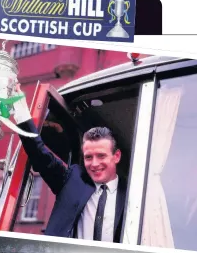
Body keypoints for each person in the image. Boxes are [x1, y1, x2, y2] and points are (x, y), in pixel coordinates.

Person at [10, 87, 126, 241]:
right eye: (88, 157)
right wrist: (18, 106)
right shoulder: (74, 179)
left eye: (101, 156)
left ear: (116, 156)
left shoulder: (132, 193)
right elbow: (39, 152)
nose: (94, 164)